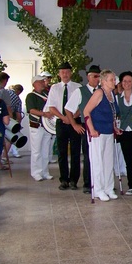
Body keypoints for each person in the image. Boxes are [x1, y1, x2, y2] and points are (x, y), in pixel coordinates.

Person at [83, 69, 121, 202]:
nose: (114, 82)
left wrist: (115, 127)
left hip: (109, 132)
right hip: (97, 133)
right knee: (98, 161)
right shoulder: (99, 93)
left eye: (114, 79)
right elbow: (86, 111)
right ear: (103, 81)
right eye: (111, 80)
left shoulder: (112, 95)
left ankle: (109, 188)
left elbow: (113, 114)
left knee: (108, 162)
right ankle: (98, 190)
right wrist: (91, 129)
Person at [64, 65, 101, 193]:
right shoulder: (80, 91)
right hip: (87, 126)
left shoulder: (103, 90)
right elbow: (68, 109)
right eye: (94, 76)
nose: (97, 79)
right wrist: (74, 124)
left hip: (102, 126)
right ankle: (88, 183)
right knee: (88, 155)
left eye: (99, 76)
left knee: (102, 155)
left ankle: (101, 182)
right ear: (88, 77)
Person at [47, 62, 82, 191]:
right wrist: (63, 118)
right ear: (59, 74)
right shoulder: (54, 88)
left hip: (75, 122)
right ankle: (64, 180)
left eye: (67, 72)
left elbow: (82, 106)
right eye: (62, 72)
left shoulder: (78, 87)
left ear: (71, 73)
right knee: (62, 152)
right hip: (61, 122)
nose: (65, 74)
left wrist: (72, 118)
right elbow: (51, 107)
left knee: (75, 152)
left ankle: (73, 180)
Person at [25, 75, 54, 181]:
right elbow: (31, 110)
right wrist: (44, 114)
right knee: (36, 150)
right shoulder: (31, 96)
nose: (43, 83)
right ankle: (36, 172)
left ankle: (45, 172)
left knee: (45, 150)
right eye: (41, 81)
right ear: (35, 83)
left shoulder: (46, 94)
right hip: (36, 125)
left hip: (46, 126)